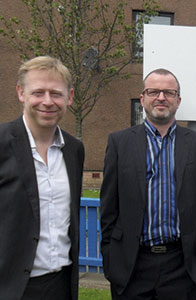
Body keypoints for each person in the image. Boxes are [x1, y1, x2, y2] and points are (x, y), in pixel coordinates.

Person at [100, 68, 196, 300]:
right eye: (153, 91)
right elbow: (108, 209)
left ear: (178, 100)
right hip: (132, 264)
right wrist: (110, 256)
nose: (161, 97)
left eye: (169, 92)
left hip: (181, 266)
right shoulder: (119, 142)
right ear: (143, 98)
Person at [0, 56, 85, 300]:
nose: (47, 102)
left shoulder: (74, 149)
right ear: (21, 93)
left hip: (61, 285)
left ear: (69, 97)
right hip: (10, 287)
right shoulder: (2, 143)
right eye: (38, 92)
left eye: (56, 94)